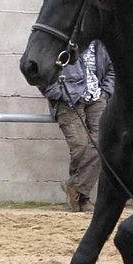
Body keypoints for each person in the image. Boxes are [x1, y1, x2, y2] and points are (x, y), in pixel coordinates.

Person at [42, 40, 114, 213]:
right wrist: (58, 93)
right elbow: (41, 70)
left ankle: (75, 188)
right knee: (81, 146)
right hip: (68, 101)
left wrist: (105, 92)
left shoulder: (101, 44)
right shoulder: (60, 42)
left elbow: (112, 70)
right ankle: (82, 196)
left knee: (102, 143)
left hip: (97, 98)